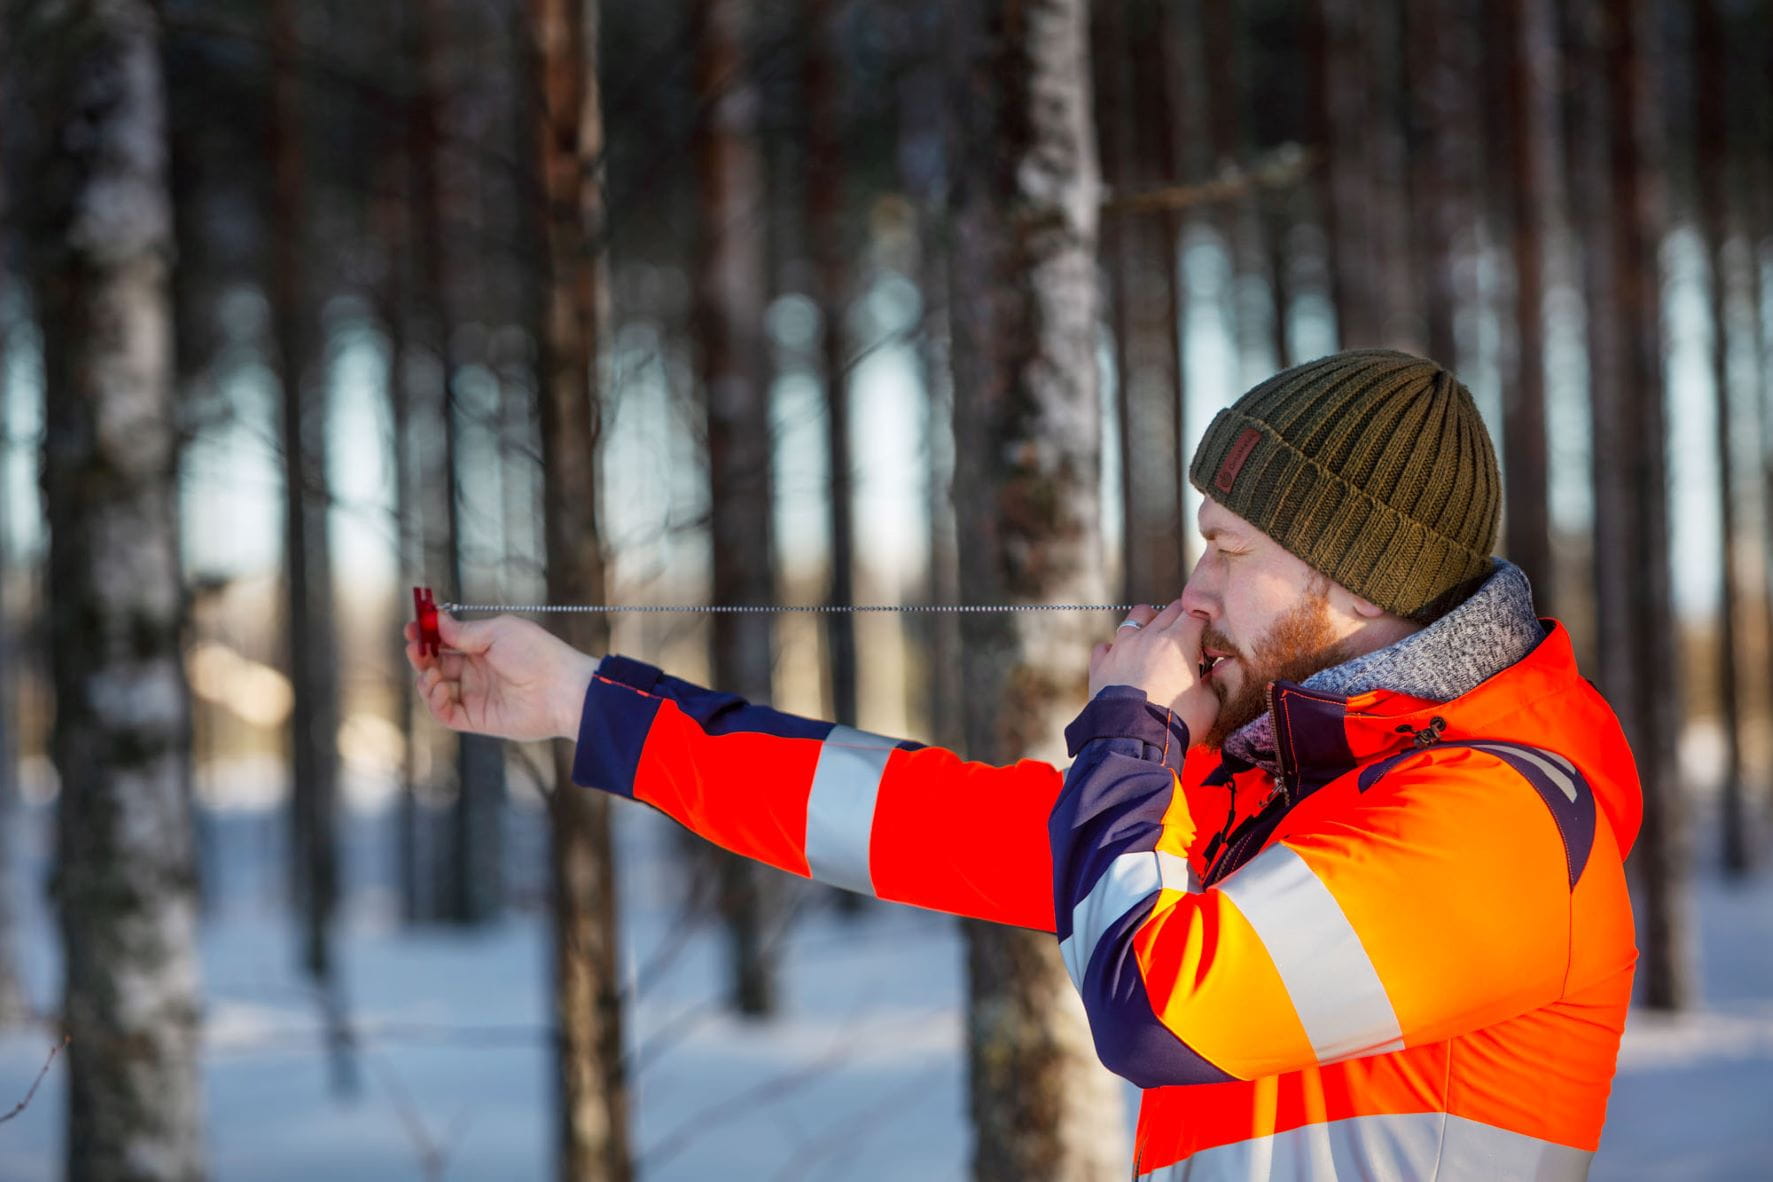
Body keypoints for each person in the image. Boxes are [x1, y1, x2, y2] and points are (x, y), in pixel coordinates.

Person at [405, 349, 1638, 1180]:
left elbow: (1159, 1009)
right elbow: (919, 822)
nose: (1193, 589)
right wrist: (582, 701)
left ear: (1351, 577)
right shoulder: (1291, 789)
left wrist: (1132, 741)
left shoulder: (1500, 819)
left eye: (1227, 549)